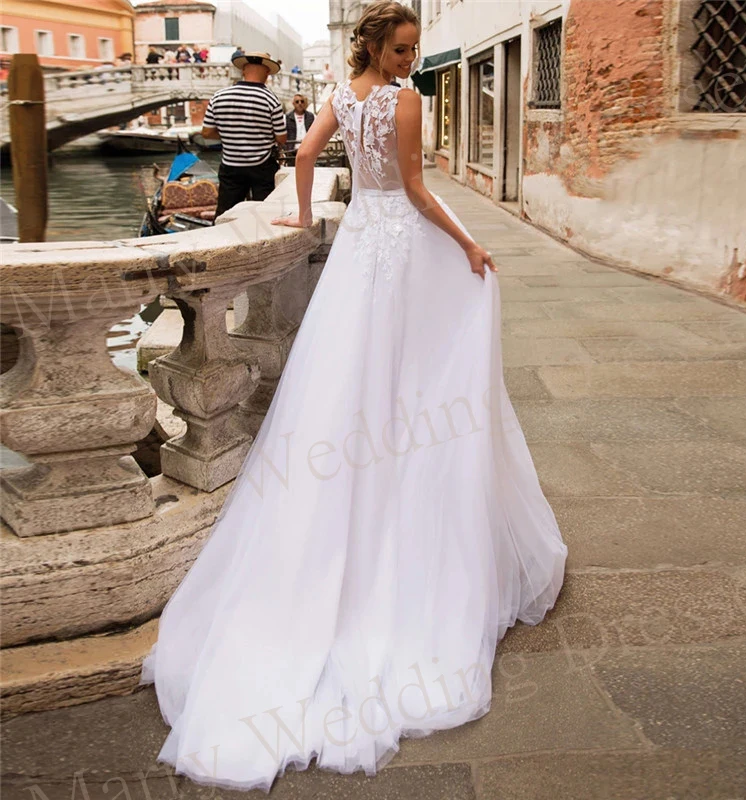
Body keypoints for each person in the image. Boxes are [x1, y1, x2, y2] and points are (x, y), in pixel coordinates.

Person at [140, 1, 567, 793]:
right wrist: (470, 241)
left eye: (412, 50)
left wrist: (303, 220)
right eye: (402, 49)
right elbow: (413, 188)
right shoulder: (403, 102)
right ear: (378, 44)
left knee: (341, 387)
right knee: (403, 380)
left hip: (354, 259)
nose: (410, 61)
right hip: (397, 252)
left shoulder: (341, 92)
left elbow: (302, 157)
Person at [200, 52, 287, 219]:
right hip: (262, 166)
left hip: (231, 164)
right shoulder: (271, 100)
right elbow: (281, 138)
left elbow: (207, 133)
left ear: (243, 70)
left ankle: (223, 241)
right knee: (264, 213)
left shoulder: (219, 96)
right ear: (267, 73)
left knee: (226, 213)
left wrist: (229, 135)